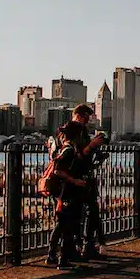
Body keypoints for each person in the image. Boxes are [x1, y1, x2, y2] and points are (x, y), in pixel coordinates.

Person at [66, 104, 108, 259]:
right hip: (78, 178)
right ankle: (86, 246)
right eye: (86, 118)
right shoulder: (74, 130)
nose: (88, 121)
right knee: (88, 211)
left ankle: (82, 246)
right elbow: (79, 154)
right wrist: (92, 145)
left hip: (78, 177)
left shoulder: (73, 130)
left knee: (83, 212)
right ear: (80, 115)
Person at [46, 122, 88, 269]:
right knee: (68, 227)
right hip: (67, 193)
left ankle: (51, 255)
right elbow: (58, 170)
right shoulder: (69, 151)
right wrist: (75, 181)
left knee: (60, 225)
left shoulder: (64, 148)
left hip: (62, 193)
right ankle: (63, 260)